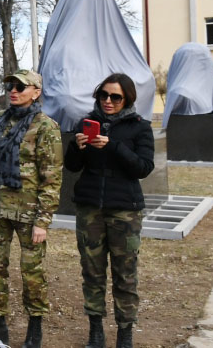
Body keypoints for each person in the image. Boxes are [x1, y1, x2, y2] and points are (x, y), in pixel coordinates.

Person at [0, 69, 62, 348]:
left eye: (21, 86)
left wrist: (43, 221)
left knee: (32, 271)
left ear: (36, 92)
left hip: (29, 212)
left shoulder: (46, 127)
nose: (14, 90)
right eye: (11, 85)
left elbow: (52, 177)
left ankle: (35, 325)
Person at [65, 74, 154, 348]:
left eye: (115, 97)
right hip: (90, 208)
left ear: (127, 98)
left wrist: (113, 145)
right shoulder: (85, 123)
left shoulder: (139, 128)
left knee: (125, 274)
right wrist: (76, 146)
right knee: (92, 272)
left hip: (125, 211)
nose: (107, 101)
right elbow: (71, 166)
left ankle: (125, 333)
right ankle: (96, 331)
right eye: (103, 95)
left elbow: (143, 167)